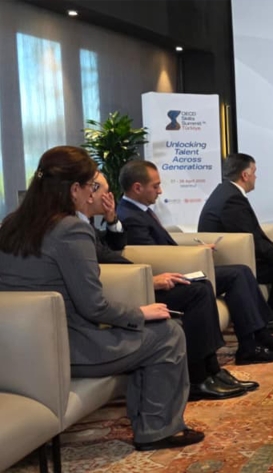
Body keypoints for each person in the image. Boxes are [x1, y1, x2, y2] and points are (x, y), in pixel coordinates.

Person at [0, 146, 203, 451]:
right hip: (67, 348)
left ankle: (152, 422)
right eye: (90, 186)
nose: (92, 194)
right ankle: (157, 430)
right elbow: (93, 306)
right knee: (168, 333)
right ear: (74, 189)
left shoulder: (11, 224)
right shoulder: (70, 229)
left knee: (146, 331)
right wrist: (140, 312)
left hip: (16, 349)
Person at [83, 172, 257, 399]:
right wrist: (149, 280)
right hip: (125, 290)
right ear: (88, 192)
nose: (109, 197)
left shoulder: (88, 222)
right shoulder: (75, 229)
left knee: (203, 286)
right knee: (197, 293)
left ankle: (212, 370)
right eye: (105, 192)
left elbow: (114, 247)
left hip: (135, 281)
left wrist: (111, 219)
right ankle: (197, 378)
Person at [116, 160, 273, 365]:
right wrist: (191, 256)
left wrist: (197, 251)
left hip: (179, 268)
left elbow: (164, 248)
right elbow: (153, 256)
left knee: (241, 271)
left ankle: (261, 336)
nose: (160, 191)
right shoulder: (130, 216)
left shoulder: (140, 210)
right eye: (155, 186)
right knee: (237, 275)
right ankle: (250, 346)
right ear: (137, 188)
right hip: (169, 276)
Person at [197, 153, 273, 327]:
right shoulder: (232, 199)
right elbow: (251, 241)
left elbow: (251, 234)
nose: (256, 177)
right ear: (245, 175)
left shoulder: (227, 192)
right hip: (231, 260)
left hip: (236, 254)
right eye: (254, 172)